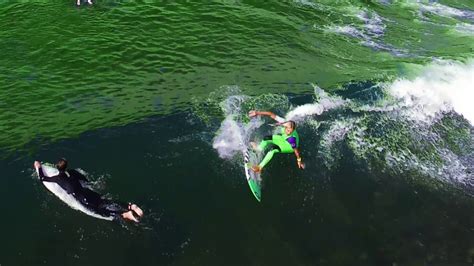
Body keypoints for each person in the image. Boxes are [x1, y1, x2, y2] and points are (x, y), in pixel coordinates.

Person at [34, 158, 143, 222]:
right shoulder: (72, 172)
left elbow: (43, 178)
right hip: (88, 192)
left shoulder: (57, 178)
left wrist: (38, 167)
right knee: (106, 202)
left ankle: (125, 214)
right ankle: (130, 206)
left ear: (57, 168)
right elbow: (84, 179)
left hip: (83, 198)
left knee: (101, 211)